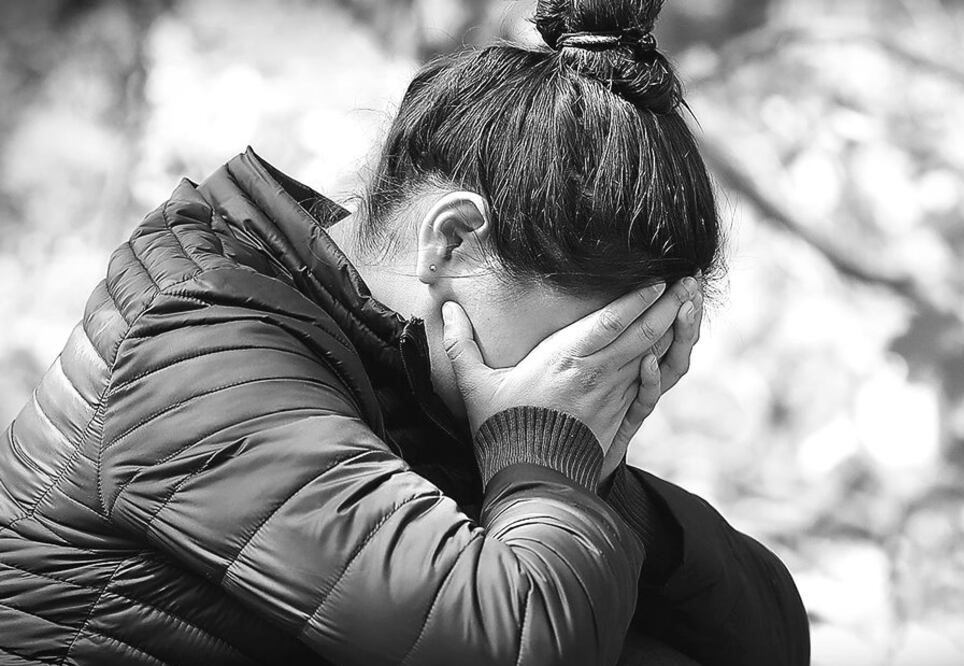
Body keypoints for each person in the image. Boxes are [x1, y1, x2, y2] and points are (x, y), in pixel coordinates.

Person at [0, 0, 810, 664]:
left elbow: (771, 640)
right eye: (581, 351)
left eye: (628, 359)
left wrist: (587, 469)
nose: (588, 382)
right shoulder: (197, 347)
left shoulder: (415, 378)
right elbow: (511, 648)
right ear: (450, 241)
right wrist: (548, 455)